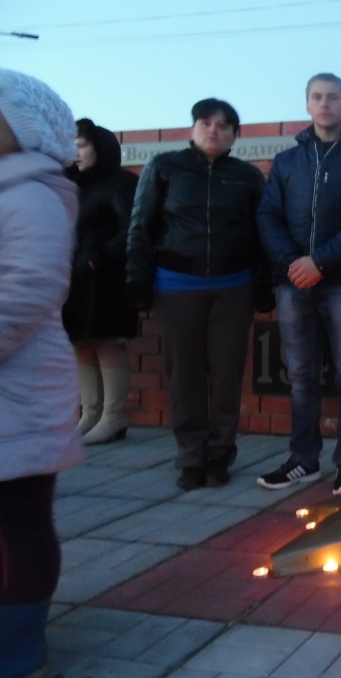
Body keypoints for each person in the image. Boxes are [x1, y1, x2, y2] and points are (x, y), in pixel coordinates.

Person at [125, 98, 270, 491]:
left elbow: (262, 233)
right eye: (206, 122)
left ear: (235, 136)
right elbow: (141, 226)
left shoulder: (247, 176)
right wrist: (137, 279)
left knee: (226, 375)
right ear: (192, 128)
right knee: (183, 375)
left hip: (233, 287)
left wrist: (263, 284)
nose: (214, 130)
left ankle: (220, 454)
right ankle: (190, 456)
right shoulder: (164, 167)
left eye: (224, 126)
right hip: (177, 285)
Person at [256, 73, 341, 496]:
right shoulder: (286, 162)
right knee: (300, 376)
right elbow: (267, 216)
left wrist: (320, 262)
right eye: (317, 97)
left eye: (333, 97)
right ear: (307, 104)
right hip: (292, 282)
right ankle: (304, 460)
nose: (325, 103)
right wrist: (294, 263)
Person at [0, 69, 84, 678]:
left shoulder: (28, 193)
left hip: (19, 383)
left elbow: (31, 287)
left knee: (21, 519)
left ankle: (19, 643)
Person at [62, 118, 139, 445]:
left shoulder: (121, 183)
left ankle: (114, 415)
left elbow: (133, 227)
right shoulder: (71, 184)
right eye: (72, 145)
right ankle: (90, 413)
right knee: (80, 342)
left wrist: (102, 254)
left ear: (101, 148)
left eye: (82, 145)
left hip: (107, 278)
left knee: (108, 341)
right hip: (76, 278)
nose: (75, 152)